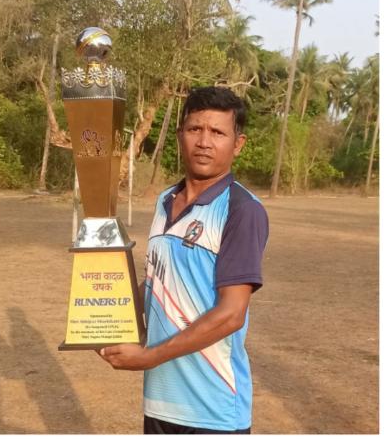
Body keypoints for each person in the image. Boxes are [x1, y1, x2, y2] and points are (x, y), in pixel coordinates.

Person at [98, 86, 269, 434]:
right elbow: (156, 283)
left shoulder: (242, 210)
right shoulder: (165, 200)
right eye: (195, 129)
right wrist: (106, 321)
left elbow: (231, 314)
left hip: (213, 409)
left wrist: (147, 357)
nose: (204, 142)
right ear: (180, 135)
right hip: (160, 400)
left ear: (238, 144)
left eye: (217, 132)